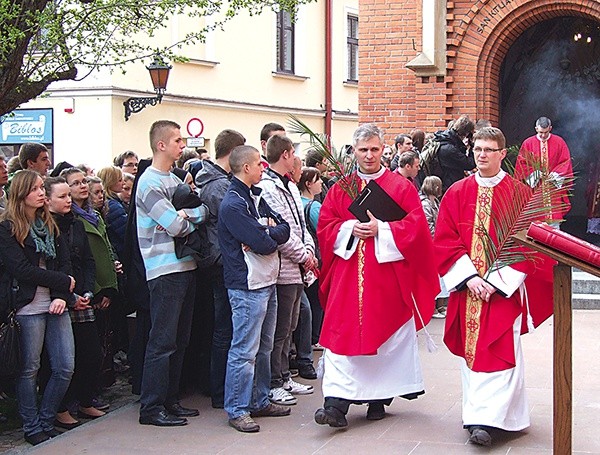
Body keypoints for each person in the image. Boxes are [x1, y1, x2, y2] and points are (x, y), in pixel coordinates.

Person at [434, 127, 554, 446]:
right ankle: (477, 416)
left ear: (502, 154)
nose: (482, 154)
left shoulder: (519, 194)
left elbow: (530, 243)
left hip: (502, 291)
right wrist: (470, 278)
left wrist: (497, 282)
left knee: (501, 349)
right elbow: (445, 239)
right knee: (472, 355)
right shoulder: (456, 192)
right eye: (477, 149)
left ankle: (490, 421)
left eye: (489, 149)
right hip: (468, 288)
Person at [314, 124, 439, 428]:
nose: (369, 155)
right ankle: (335, 404)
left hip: (386, 277)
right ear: (354, 151)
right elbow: (325, 226)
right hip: (347, 278)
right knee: (342, 334)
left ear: (384, 150)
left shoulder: (401, 187)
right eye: (362, 150)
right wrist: (348, 229)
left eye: (374, 149)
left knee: (385, 337)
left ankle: (378, 398)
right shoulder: (341, 187)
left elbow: (417, 229)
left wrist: (382, 229)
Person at [136, 120, 208, 427]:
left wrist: (188, 214)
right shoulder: (149, 183)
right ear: (161, 145)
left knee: (180, 339)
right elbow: (175, 225)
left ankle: (170, 400)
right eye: (177, 140)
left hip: (186, 265)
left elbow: (203, 210)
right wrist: (189, 217)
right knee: (163, 341)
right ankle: (152, 407)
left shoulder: (176, 178)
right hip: (164, 269)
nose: (183, 144)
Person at [218, 145, 292, 432]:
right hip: (247, 284)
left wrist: (266, 230)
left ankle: (260, 399)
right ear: (246, 167)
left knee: (264, 346)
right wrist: (266, 233)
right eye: (259, 165)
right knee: (244, 350)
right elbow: (262, 243)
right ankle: (237, 408)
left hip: (267, 278)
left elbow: (283, 229)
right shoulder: (234, 203)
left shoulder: (255, 196)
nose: (263, 168)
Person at [0, 170, 75, 445]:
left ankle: (46, 419)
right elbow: (21, 269)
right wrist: (63, 281)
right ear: (21, 194)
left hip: (55, 304)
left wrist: (60, 294)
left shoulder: (50, 224)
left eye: (43, 188)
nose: (42, 193)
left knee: (65, 366)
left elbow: (66, 262)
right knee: (29, 369)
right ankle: (31, 427)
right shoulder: (7, 228)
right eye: (36, 189)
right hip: (27, 306)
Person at [258, 134, 317, 406]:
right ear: (285, 154)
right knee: (279, 329)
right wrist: (304, 254)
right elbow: (282, 230)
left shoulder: (291, 186)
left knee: (291, 326)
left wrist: (309, 250)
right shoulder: (268, 187)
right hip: (282, 269)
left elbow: (300, 226)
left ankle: (284, 375)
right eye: (294, 153)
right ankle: (274, 381)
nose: (296, 159)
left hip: (297, 268)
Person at [45, 177, 105, 428]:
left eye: (68, 195)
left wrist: (88, 291)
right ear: (48, 201)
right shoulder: (47, 228)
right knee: (62, 360)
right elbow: (55, 266)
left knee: (91, 353)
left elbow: (88, 262)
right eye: (62, 196)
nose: (68, 199)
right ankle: (61, 407)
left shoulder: (77, 225)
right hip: (59, 298)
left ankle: (84, 400)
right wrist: (68, 297)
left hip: (82, 294)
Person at [195, 129, 245, 409]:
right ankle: (220, 390)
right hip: (221, 261)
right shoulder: (217, 186)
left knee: (224, 328)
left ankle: (221, 387)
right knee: (224, 329)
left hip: (220, 259)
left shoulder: (218, 181)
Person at [514, 116, 573, 225]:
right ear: (536, 129)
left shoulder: (559, 142)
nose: (543, 135)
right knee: (535, 226)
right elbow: (521, 165)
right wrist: (536, 174)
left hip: (552, 189)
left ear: (550, 128)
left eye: (546, 132)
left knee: (553, 229)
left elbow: (565, 162)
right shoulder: (528, 143)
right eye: (541, 132)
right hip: (536, 190)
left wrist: (555, 175)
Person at [419, 176, 447, 318]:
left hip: (435, 242)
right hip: (430, 244)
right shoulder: (425, 204)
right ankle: (433, 307)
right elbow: (428, 224)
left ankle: (439, 305)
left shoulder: (434, 201)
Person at [434, 115, 476, 193]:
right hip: (448, 187)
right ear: (466, 133)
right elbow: (471, 164)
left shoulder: (443, 139)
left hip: (442, 184)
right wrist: (472, 144)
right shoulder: (450, 149)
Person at [98, 166, 128, 259]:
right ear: (110, 182)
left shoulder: (111, 203)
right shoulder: (114, 206)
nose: (123, 183)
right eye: (119, 180)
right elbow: (126, 232)